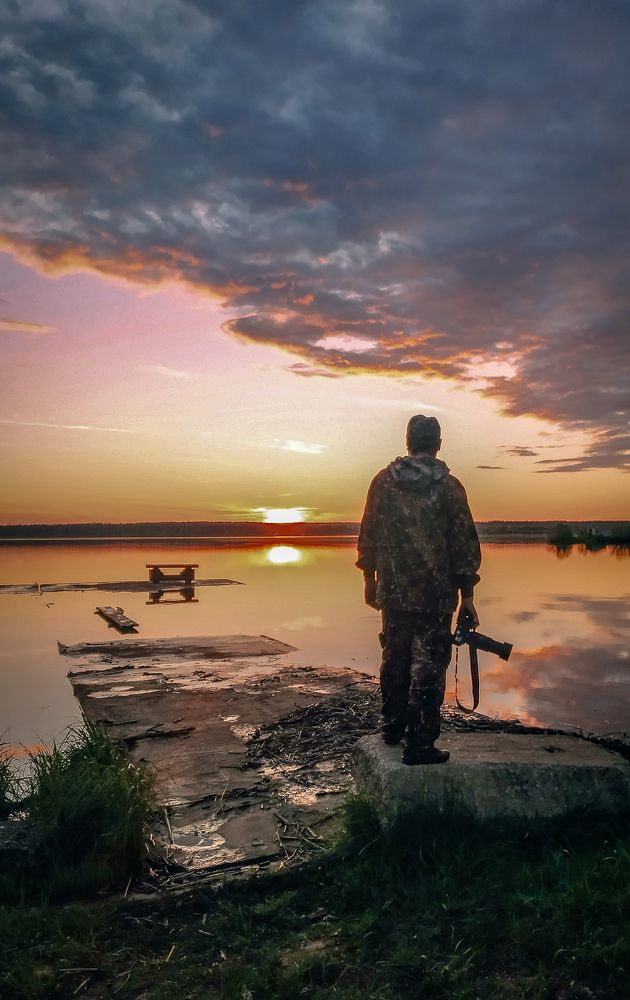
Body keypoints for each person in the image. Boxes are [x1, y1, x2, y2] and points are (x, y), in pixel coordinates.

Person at [357, 415, 481, 765]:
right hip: (435, 595)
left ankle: (393, 727)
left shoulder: (382, 482)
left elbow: (368, 534)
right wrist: (467, 595)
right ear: (438, 443)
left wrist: (369, 579)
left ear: (407, 441)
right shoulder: (450, 487)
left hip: (393, 592)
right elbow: (464, 546)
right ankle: (419, 743)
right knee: (427, 665)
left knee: (395, 659)